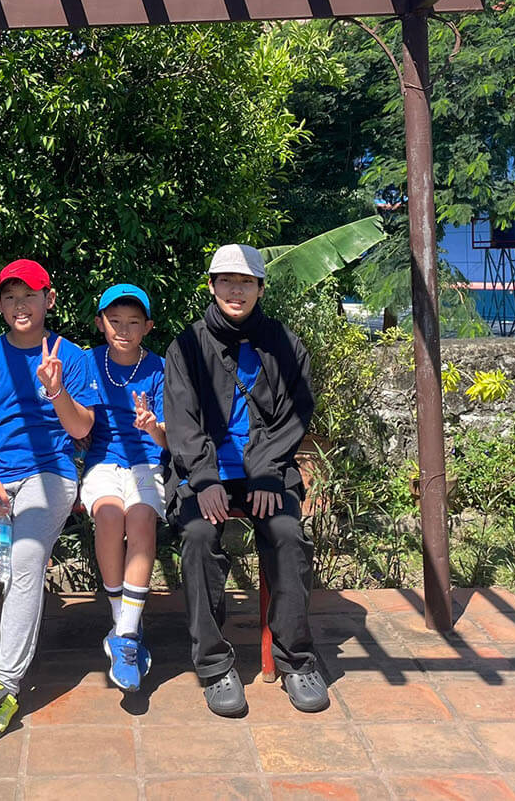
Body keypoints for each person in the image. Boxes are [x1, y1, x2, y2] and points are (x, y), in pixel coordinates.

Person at [0, 259, 102, 741]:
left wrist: (56, 390)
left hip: (48, 475)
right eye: (9, 297)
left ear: (48, 299)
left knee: (25, 561)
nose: (19, 305)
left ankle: (6, 686)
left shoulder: (71, 357)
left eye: (28, 295)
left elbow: (81, 428)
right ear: (0, 305)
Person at [163, 243, 329, 718]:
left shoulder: (285, 344)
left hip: (267, 471)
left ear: (260, 288)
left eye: (246, 282)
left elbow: (297, 413)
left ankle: (295, 659)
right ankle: (214, 665)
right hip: (205, 471)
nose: (236, 291)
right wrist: (204, 477)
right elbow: (182, 420)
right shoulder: (186, 346)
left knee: (288, 536)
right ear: (211, 286)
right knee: (198, 537)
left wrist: (267, 471)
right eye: (227, 281)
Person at [81, 283, 167, 694]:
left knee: (142, 518)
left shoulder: (160, 368)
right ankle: (125, 625)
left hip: (148, 462)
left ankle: (126, 635)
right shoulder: (87, 362)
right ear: (100, 323)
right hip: (102, 463)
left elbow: (169, 438)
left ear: (147, 327)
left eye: (134, 322)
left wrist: (152, 427)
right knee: (110, 515)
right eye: (114, 321)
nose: (123, 329)